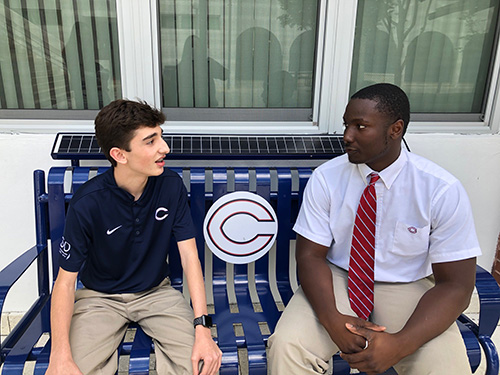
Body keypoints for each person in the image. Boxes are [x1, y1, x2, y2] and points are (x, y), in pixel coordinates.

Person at [268, 83, 481, 374]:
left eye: (360, 126)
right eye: (346, 125)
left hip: (406, 287)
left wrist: (400, 344)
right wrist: (332, 320)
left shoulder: (440, 190)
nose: (347, 136)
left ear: (395, 129)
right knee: (288, 347)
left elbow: (457, 285)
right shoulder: (327, 178)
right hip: (338, 279)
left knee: (445, 367)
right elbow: (309, 257)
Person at [46, 99, 222, 375]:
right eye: (151, 141)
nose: (165, 148)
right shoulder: (88, 202)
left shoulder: (170, 186)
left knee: (201, 365)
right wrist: (60, 355)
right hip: (98, 298)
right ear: (120, 154)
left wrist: (202, 328)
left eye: (161, 137)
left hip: (157, 292)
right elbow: (65, 283)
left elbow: (189, 257)